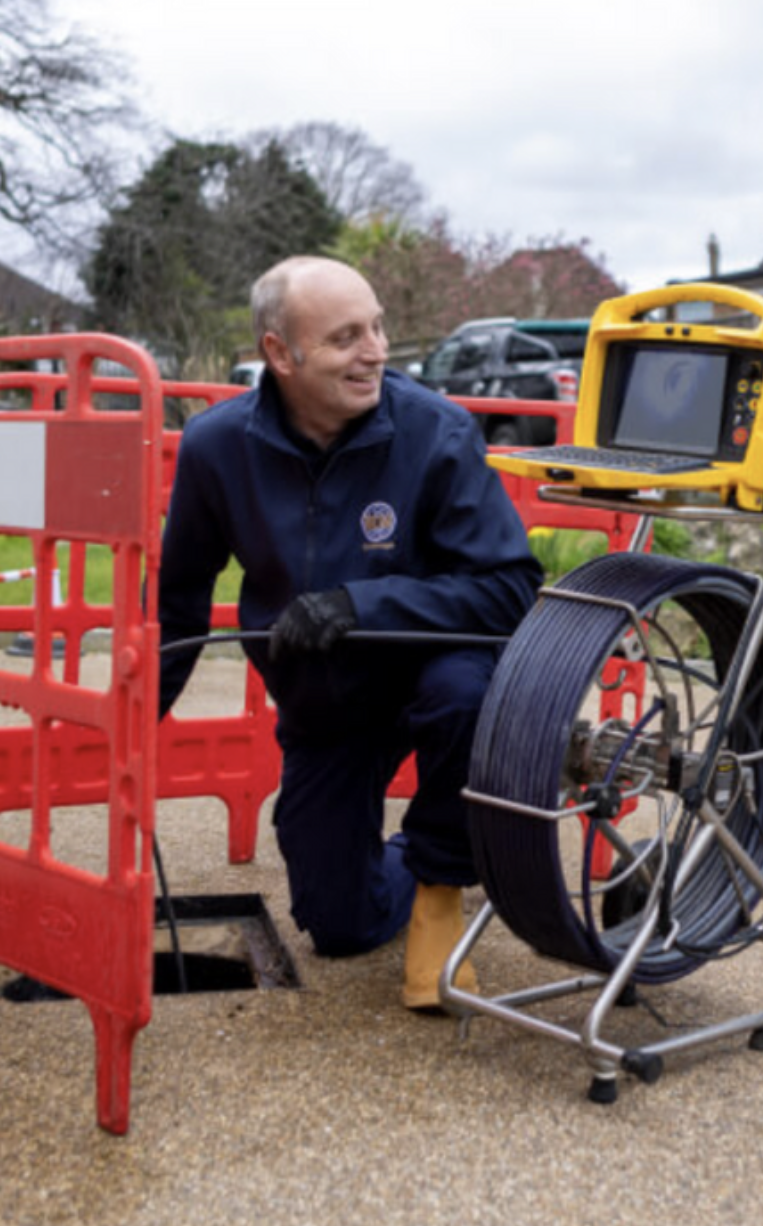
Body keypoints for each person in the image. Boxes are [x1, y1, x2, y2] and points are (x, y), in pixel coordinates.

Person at [158, 255, 543, 1009]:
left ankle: (441, 879)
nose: (374, 352)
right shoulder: (214, 447)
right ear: (280, 353)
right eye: (344, 338)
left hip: (432, 677)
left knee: (464, 694)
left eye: (377, 329)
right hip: (326, 706)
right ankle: (413, 859)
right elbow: (179, 607)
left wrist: (361, 606)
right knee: (338, 926)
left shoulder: (438, 434)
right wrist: (132, 726)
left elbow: (509, 589)